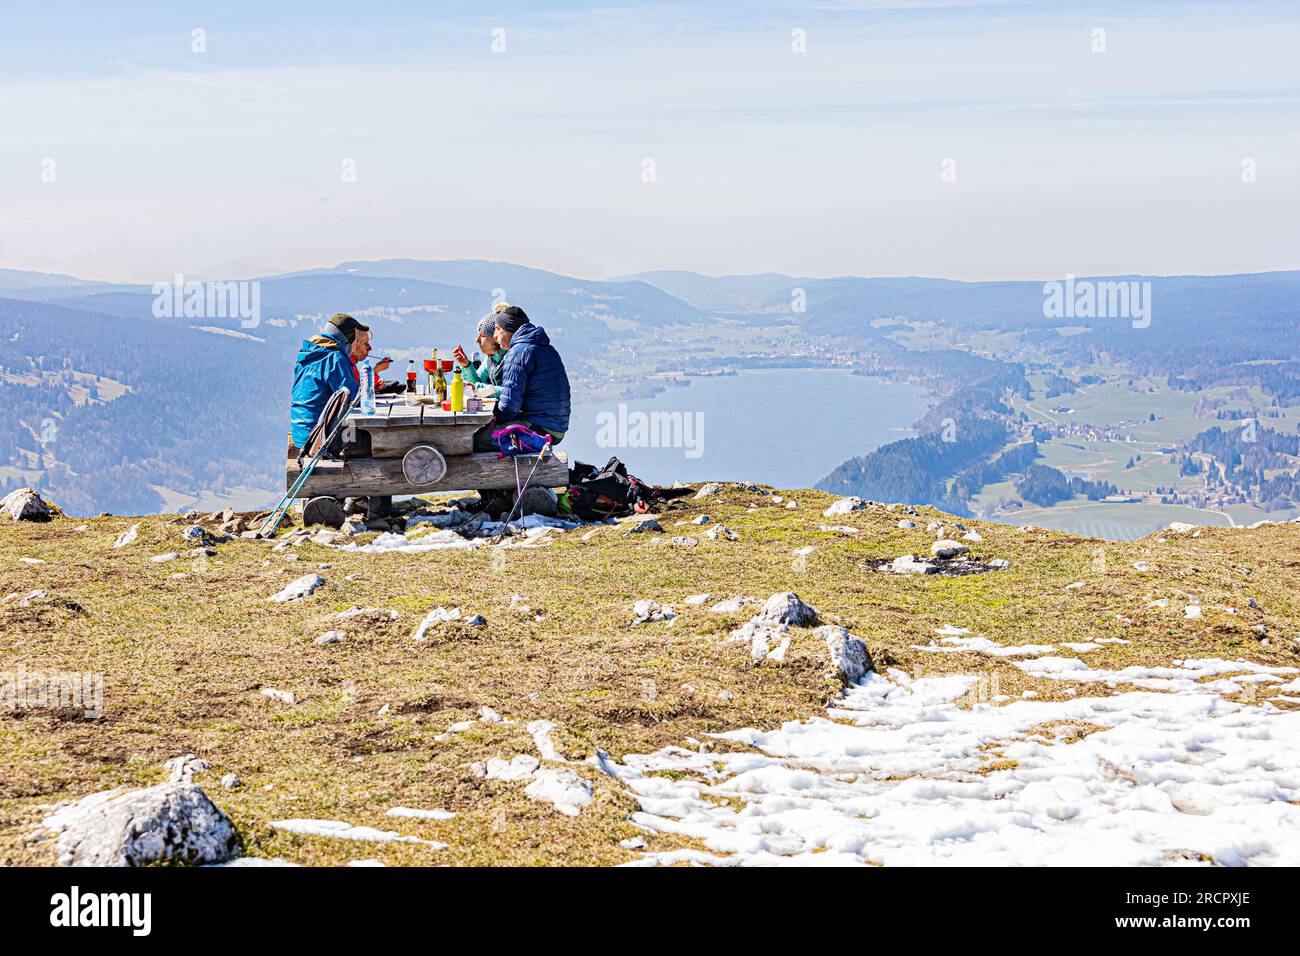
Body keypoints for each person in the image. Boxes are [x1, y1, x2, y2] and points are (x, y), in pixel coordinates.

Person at [472, 303, 570, 452]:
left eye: (498, 329)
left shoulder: (518, 352)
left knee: (476, 440)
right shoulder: (543, 347)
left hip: (540, 428)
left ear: (509, 330)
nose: (496, 336)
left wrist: (493, 420)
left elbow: (509, 405)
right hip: (554, 426)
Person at [290, 313, 368, 450]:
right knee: (370, 441)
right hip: (319, 439)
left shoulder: (307, 354)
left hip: (301, 434)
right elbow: (355, 399)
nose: (355, 344)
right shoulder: (335, 358)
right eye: (355, 339)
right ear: (347, 339)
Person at [453, 313, 506, 395]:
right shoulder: (491, 358)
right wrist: (466, 366)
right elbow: (477, 382)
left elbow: (510, 391)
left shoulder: (510, 357)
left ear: (496, 337)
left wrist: (477, 387)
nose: (477, 340)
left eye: (483, 336)